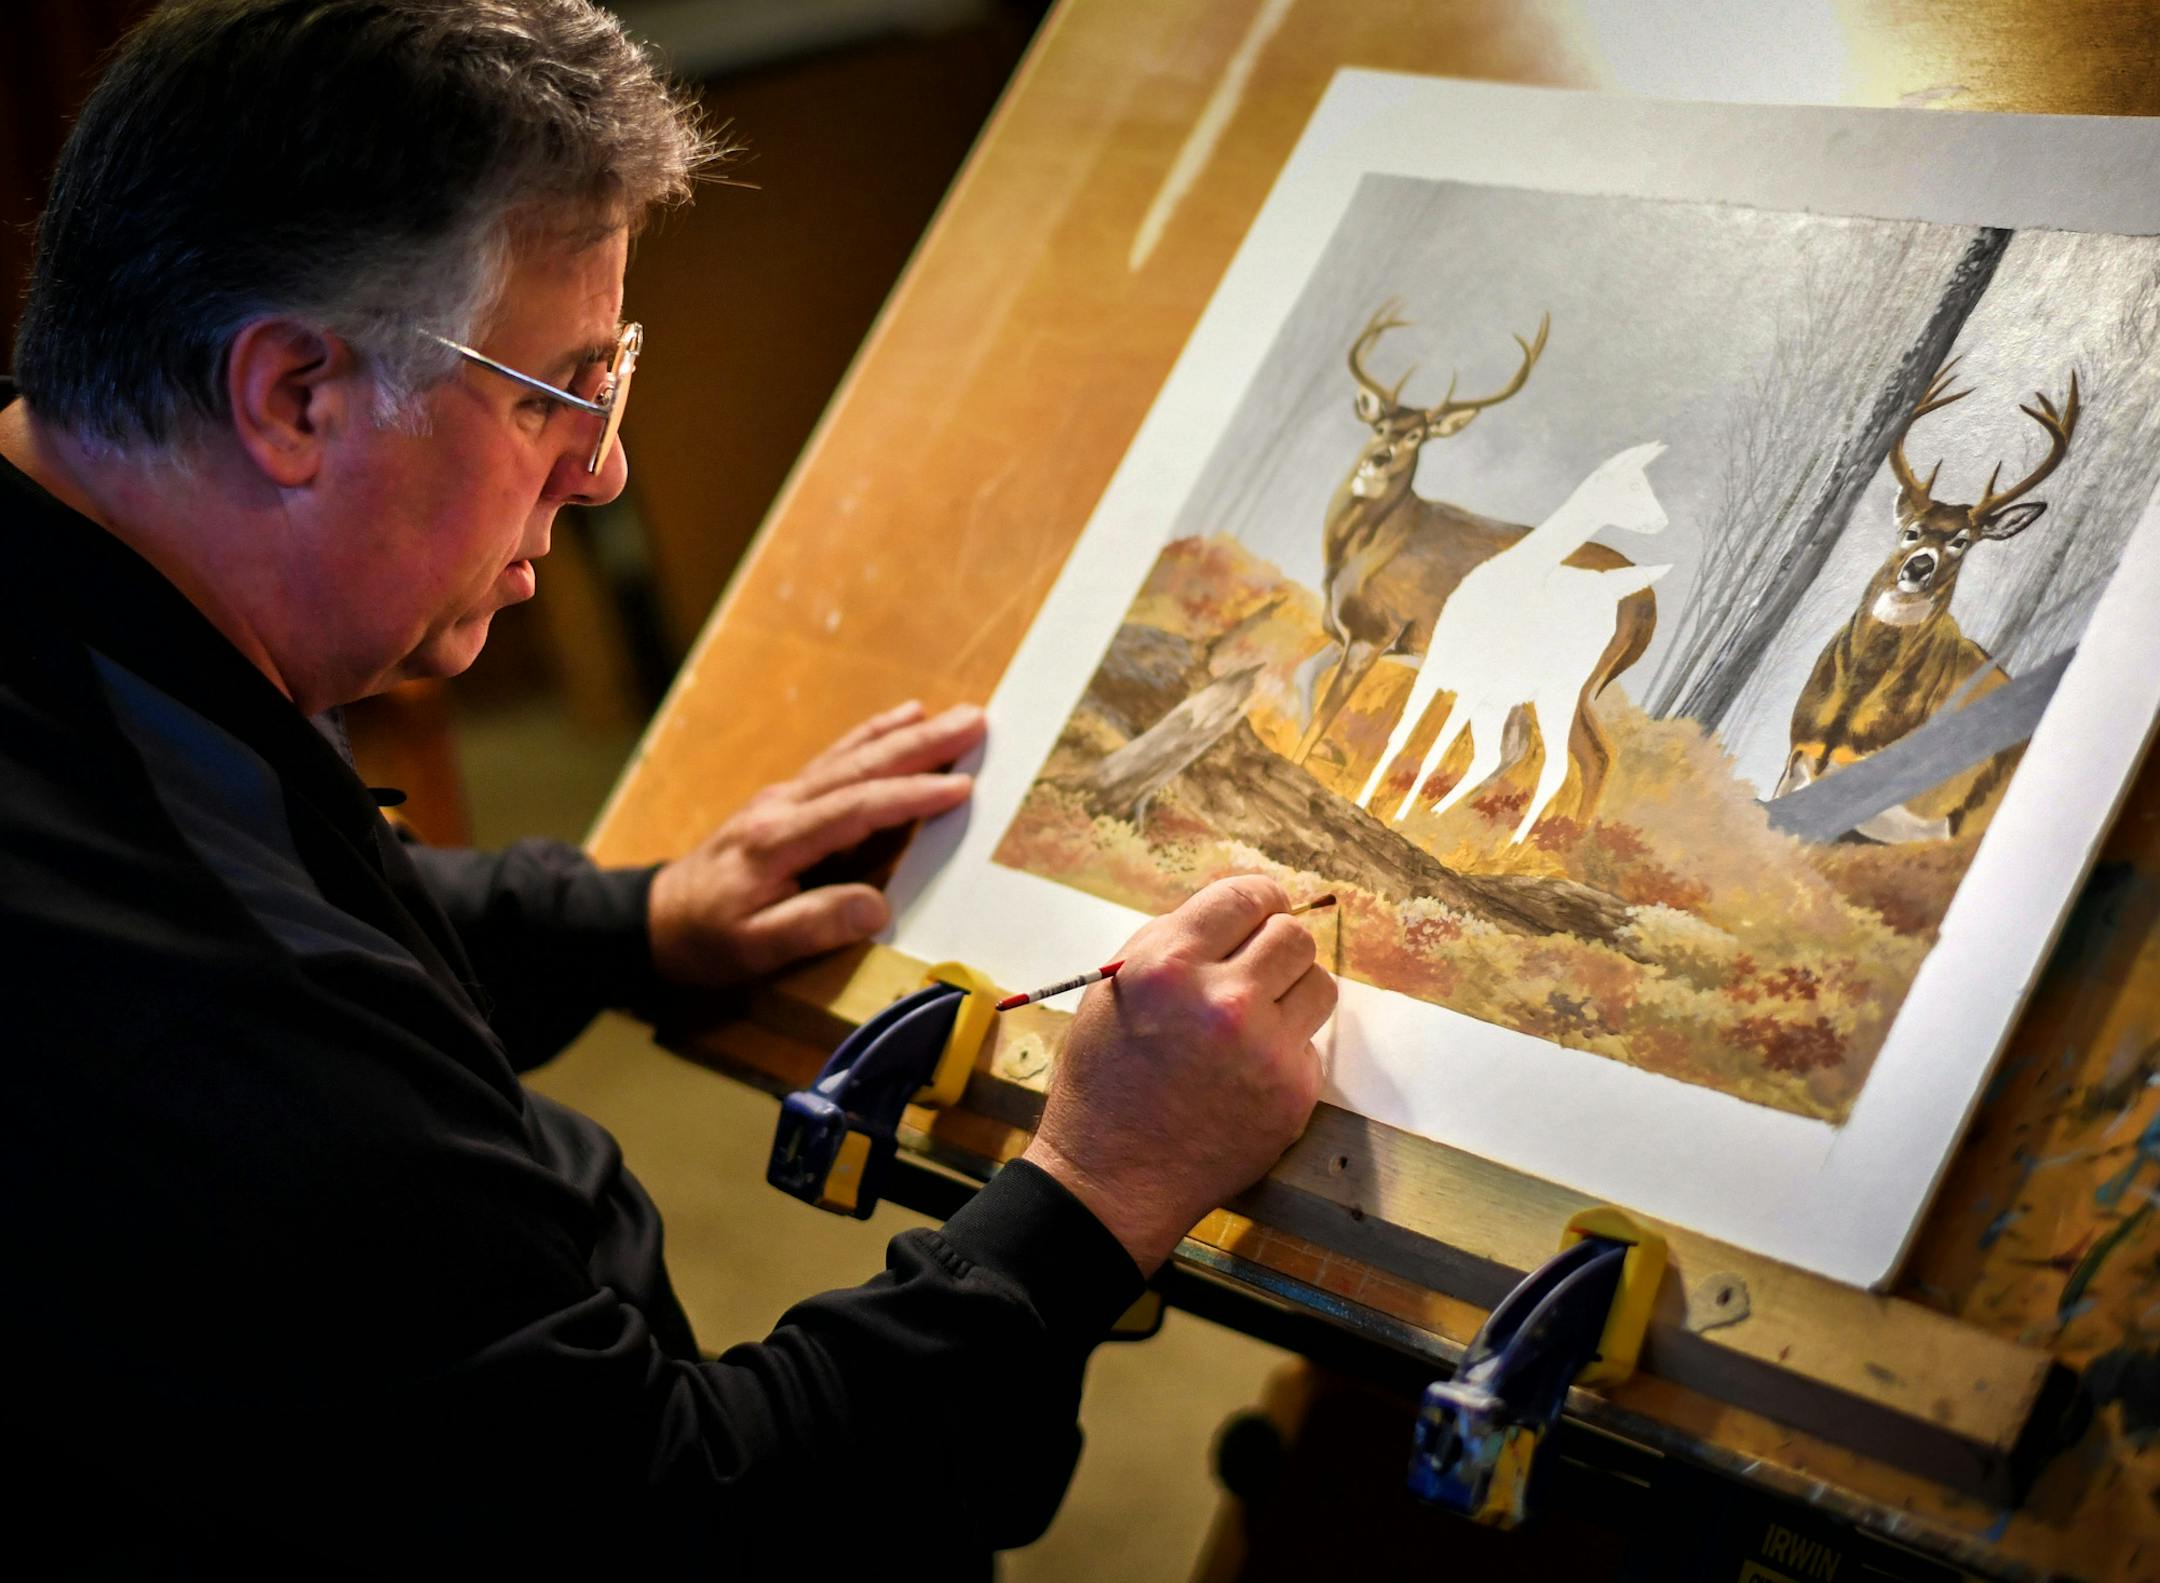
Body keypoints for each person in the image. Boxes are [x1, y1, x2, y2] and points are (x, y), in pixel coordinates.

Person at [0, 0, 1336, 1572]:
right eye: (552, 390)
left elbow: (317, 899)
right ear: (296, 395)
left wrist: (635, 920)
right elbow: (693, 1519)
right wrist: (1094, 1189)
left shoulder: (91, 629)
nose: (604, 467)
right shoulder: (207, 1012)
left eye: (609, 378)